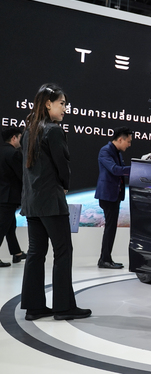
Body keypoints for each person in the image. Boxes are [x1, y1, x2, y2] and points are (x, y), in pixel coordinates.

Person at [20, 83, 91, 321]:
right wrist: (65, 184)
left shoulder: (30, 129)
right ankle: (63, 307)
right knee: (63, 251)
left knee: (35, 252)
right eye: (62, 104)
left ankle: (34, 306)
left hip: (32, 201)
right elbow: (62, 165)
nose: (65, 109)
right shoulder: (53, 130)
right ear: (48, 103)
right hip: (51, 200)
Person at [95, 127, 132, 269]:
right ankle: (105, 259)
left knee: (111, 228)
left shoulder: (116, 152)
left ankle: (105, 258)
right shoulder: (105, 151)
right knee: (110, 228)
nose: (129, 145)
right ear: (120, 139)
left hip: (114, 195)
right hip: (107, 196)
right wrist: (136, 167)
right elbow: (115, 170)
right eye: (128, 141)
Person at [0, 127, 27, 267]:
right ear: (14, 138)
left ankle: (16, 253)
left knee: (10, 226)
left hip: (3, 195)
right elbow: (22, 175)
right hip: (8, 196)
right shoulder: (13, 154)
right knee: (3, 227)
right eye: (20, 137)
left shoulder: (2, 151)